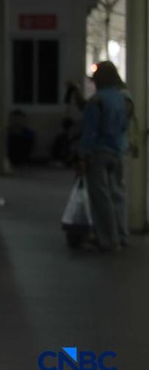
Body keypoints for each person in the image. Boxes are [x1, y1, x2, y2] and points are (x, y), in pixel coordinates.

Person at [78, 61, 130, 252]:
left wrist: (83, 156)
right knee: (117, 195)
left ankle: (108, 240)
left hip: (99, 152)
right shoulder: (120, 98)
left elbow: (89, 132)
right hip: (117, 151)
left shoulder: (96, 100)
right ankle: (121, 236)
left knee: (101, 198)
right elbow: (124, 126)